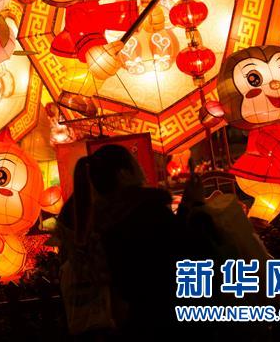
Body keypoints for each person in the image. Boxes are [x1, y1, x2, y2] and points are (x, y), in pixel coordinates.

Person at [58, 145, 185, 338]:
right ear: (123, 174)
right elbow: (181, 256)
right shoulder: (149, 213)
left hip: (120, 324)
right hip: (162, 318)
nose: (142, 170)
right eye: (136, 165)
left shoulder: (91, 221)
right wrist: (193, 209)